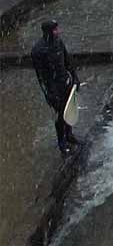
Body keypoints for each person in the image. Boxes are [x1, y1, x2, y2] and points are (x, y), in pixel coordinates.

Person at [31, 20, 82, 157]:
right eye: (55, 30)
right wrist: (49, 95)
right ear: (48, 32)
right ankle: (62, 143)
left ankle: (69, 134)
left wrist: (75, 78)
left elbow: (67, 61)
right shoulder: (38, 50)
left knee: (69, 109)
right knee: (60, 116)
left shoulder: (59, 42)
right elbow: (40, 77)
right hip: (53, 90)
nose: (58, 32)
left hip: (66, 82)